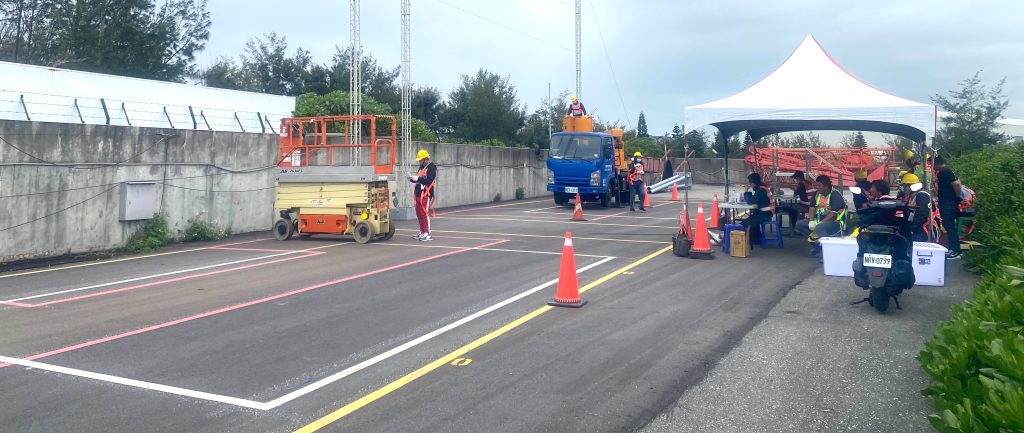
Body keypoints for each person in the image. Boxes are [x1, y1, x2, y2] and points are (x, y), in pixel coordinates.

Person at [795, 175, 847, 255]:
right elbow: (812, 207)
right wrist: (811, 221)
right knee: (799, 224)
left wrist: (820, 223)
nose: (817, 188)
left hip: (835, 222)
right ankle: (818, 246)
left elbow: (833, 214)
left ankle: (828, 253)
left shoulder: (835, 195)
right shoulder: (817, 194)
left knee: (820, 228)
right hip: (820, 220)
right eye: (816, 185)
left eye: (819, 186)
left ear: (826, 187)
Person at [934, 156, 962, 259]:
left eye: (933, 164)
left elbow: (957, 184)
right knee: (948, 224)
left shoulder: (944, 172)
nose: (933, 167)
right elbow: (958, 182)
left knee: (949, 225)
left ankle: (955, 250)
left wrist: (957, 197)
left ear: (937, 163)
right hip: (948, 201)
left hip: (947, 202)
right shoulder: (948, 170)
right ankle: (954, 248)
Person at [408, 149, 437, 241]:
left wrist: (418, 179)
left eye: (421, 160)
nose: (420, 162)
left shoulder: (431, 167)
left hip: (426, 194)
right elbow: (419, 179)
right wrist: (412, 179)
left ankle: (427, 233)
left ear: (425, 159)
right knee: (419, 213)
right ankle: (422, 231)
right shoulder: (421, 167)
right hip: (418, 194)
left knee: (424, 214)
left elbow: (429, 180)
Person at [740, 172, 774, 243]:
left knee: (743, 224)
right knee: (752, 219)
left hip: (765, 214)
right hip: (766, 213)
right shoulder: (762, 187)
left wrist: (746, 191)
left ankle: (727, 237)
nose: (749, 185)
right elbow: (754, 199)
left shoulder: (761, 190)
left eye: (749, 183)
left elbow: (750, 201)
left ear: (752, 183)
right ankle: (755, 239)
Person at [899, 173, 933, 242]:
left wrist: (912, 229)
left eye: (905, 186)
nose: (904, 188)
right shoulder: (912, 196)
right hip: (916, 227)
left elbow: (921, 215)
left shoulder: (922, 196)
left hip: (924, 229)